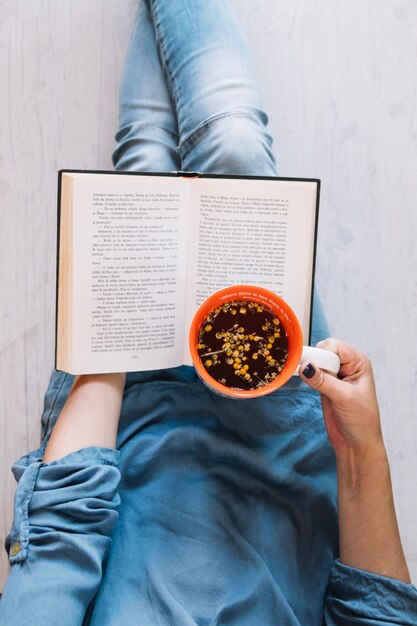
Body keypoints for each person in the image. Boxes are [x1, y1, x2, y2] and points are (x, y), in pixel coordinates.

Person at [1, 1, 416, 624]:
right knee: (234, 145)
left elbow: (60, 534)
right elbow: (379, 613)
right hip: (280, 455)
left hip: (116, 431)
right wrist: (364, 445)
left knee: (143, 161)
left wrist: (123, 314)